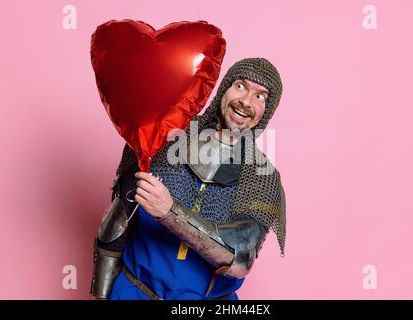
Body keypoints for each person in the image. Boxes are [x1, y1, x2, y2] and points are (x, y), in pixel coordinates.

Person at [90, 57, 287, 300]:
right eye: (240, 86)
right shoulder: (164, 135)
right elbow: (118, 217)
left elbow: (239, 257)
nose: (245, 101)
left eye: (260, 96)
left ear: (266, 111)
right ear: (224, 88)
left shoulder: (261, 177)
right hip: (134, 293)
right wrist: (101, 293)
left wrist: (168, 210)